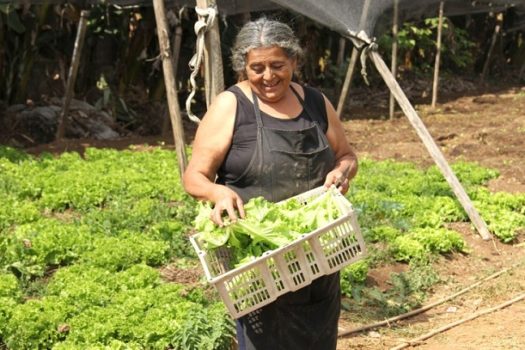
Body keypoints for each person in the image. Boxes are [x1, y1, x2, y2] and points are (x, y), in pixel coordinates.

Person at [183, 17, 358, 350]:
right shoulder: (231, 107)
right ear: (243, 68)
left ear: (293, 60)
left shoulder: (316, 103)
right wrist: (218, 191)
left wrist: (342, 172)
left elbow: (347, 155)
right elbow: (194, 176)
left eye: (277, 65)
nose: (268, 76)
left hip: (318, 258)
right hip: (259, 265)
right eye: (257, 68)